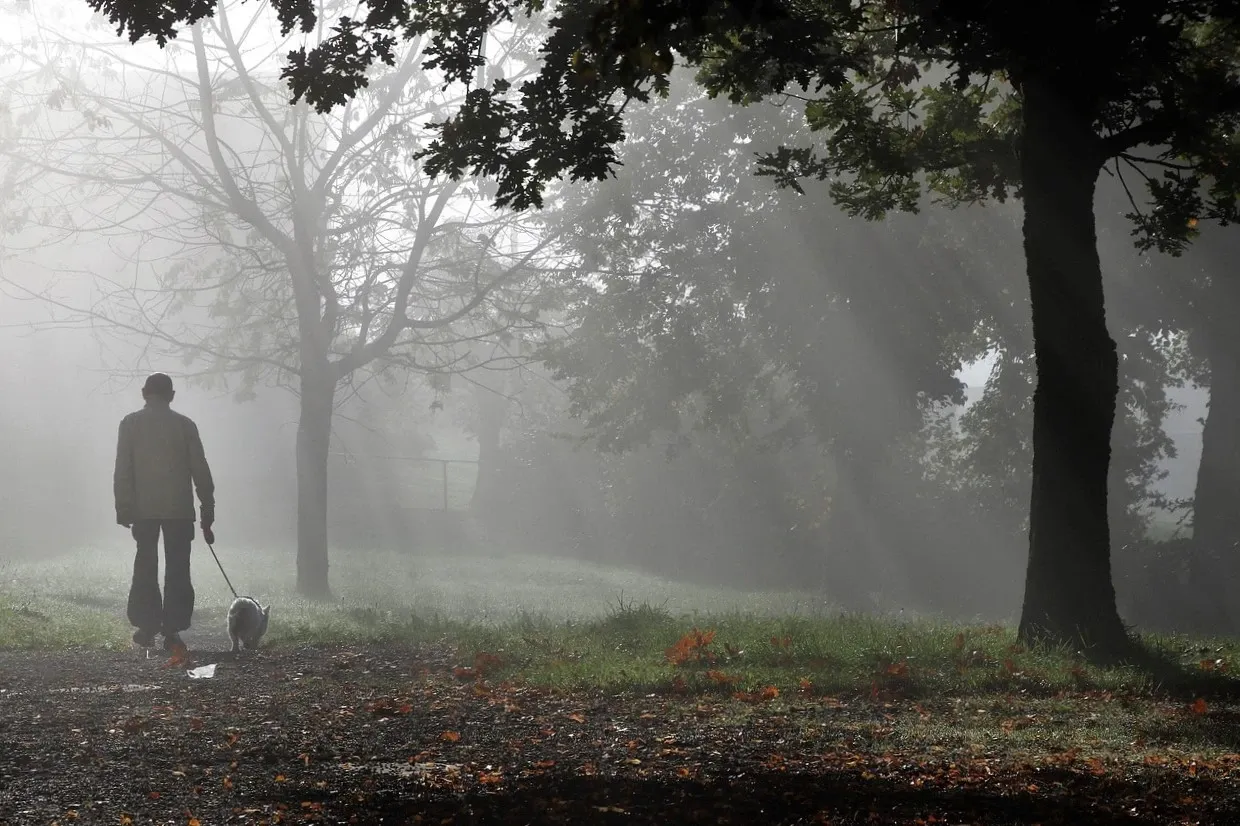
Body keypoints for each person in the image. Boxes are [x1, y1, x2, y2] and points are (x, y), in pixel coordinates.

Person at [113, 372, 216, 651]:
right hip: (179, 510)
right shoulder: (185, 426)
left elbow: (123, 469)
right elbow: (200, 469)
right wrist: (207, 508)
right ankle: (172, 628)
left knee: (145, 565)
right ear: (171, 396)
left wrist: (124, 507)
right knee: (178, 569)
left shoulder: (130, 424)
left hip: (143, 510)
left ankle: (146, 625)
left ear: (144, 393)